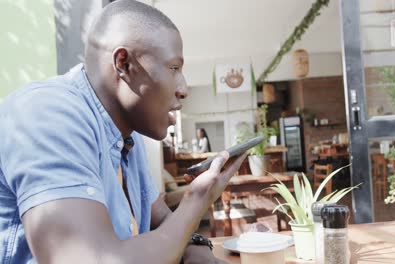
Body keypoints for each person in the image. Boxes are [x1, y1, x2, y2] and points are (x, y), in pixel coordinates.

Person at [0, 0, 247, 263]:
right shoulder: (47, 114)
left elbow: (160, 217)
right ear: (124, 63)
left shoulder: (127, 134)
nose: (183, 88)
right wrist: (196, 201)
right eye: (174, 68)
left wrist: (198, 248)